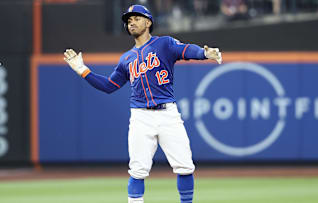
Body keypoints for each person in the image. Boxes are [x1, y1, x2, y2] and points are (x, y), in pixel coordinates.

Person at [63, 4, 222, 203]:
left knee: (185, 166)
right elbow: (109, 85)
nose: (132, 23)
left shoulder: (163, 44)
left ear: (148, 22)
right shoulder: (126, 59)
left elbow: (185, 50)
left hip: (167, 114)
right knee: (137, 171)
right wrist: (83, 70)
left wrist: (204, 54)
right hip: (140, 117)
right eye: (129, 21)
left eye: (136, 19)